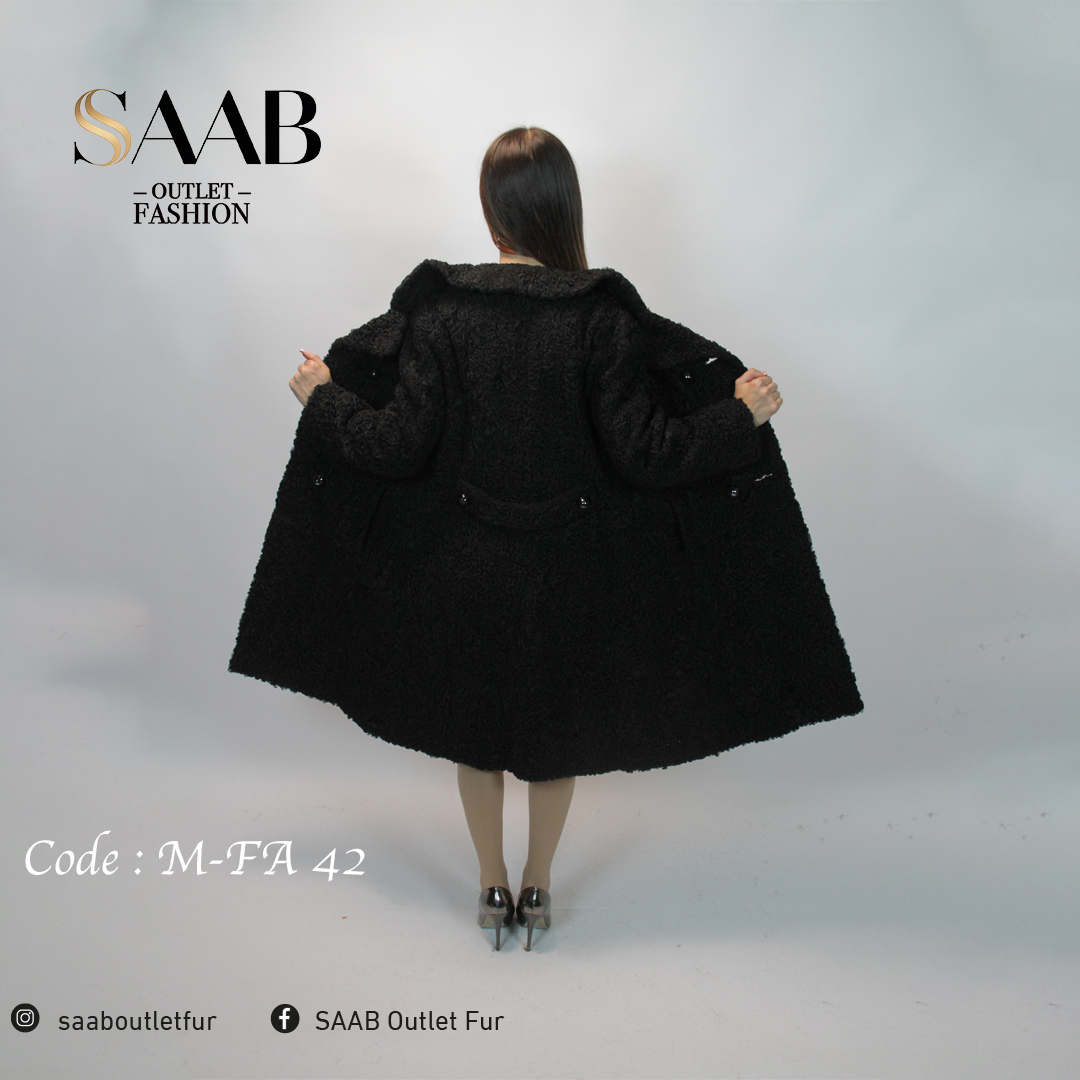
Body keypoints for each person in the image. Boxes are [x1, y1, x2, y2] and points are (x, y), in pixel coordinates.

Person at [230, 127, 863, 951]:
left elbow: (394, 446)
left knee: (475, 740)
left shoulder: (440, 313)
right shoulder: (600, 318)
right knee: (551, 743)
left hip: (461, 572)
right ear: (565, 207)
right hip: (569, 580)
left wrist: (324, 397)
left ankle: (489, 884)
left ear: (490, 210)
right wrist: (738, 415)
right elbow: (648, 455)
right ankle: (537, 887)